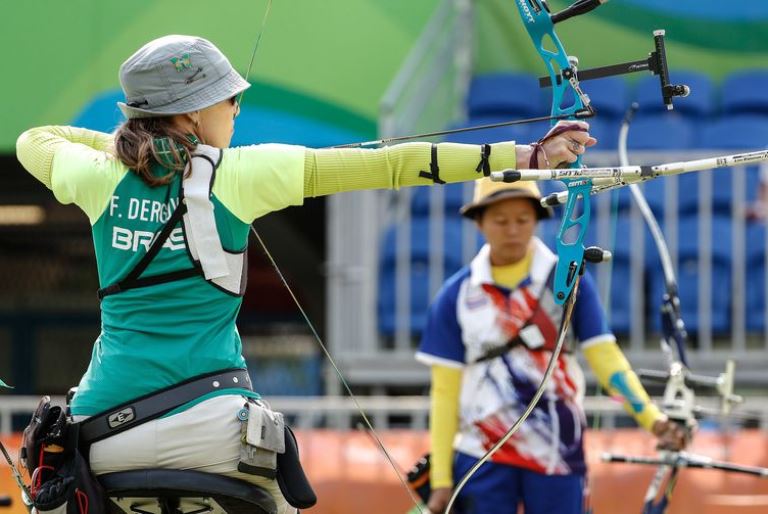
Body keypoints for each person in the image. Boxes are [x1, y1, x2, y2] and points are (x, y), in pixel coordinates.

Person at [15, 35, 597, 514]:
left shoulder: (93, 176)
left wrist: (132, 152)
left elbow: (34, 139)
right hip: (215, 429)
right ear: (191, 112)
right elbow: (392, 162)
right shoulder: (243, 174)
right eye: (228, 100)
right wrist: (527, 158)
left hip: (105, 433)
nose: (236, 109)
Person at [416, 178, 689, 514]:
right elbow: (445, 391)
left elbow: (605, 358)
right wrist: (442, 479)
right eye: (500, 221)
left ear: (537, 220)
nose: (513, 230)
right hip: (481, 453)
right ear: (479, 222)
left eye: (523, 219)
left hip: (557, 448)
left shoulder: (569, 280)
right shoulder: (456, 294)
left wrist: (652, 420)